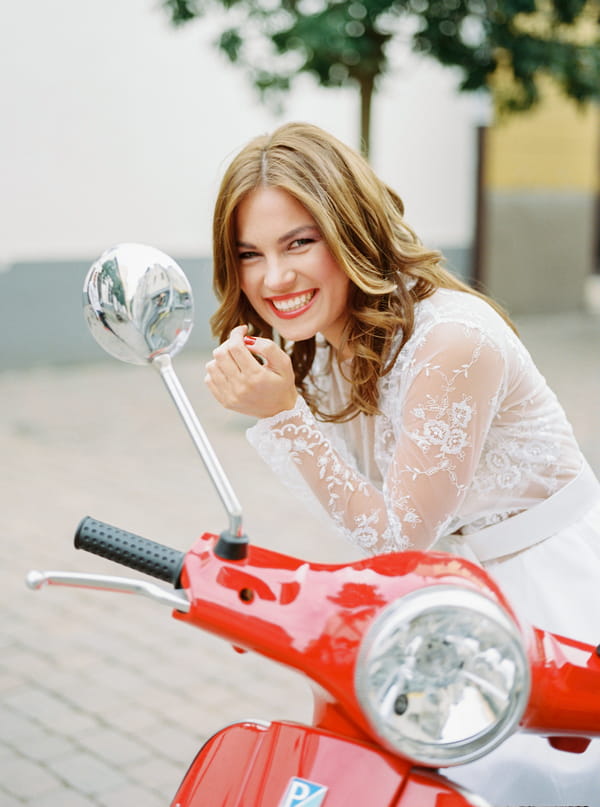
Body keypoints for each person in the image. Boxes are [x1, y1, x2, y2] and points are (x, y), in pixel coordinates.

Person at [204, 121, 600, 805]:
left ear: (352, 229)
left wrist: (281, 414)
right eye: (250, 253)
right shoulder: (326, 341)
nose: (274, 276)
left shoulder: (450, 340)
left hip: (545, 596)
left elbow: (395, 538)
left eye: (299, 241)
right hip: (447, 598)